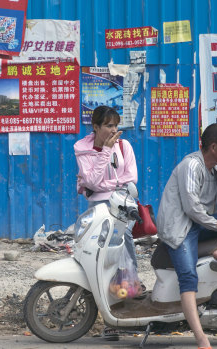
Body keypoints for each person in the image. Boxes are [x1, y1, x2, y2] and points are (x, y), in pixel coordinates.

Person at [156, 123, 217, 349]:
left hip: (201, 224)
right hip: (180, 229)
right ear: (213, 146)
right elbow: (191, 207)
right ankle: (201, 338)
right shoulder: (191, 166)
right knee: (188, 277)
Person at [74, 105, 138, 341]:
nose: (114, 130)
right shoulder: (82, 147)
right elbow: (91, 180)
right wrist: (104, 152)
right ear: (96, 127)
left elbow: (131, 179)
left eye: (115, 125)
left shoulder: (125, 146)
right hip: (99, 209)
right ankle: (109, 317)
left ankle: (128, 307)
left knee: (123, 253)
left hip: (123, 205)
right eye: (108, 125)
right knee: (99, 259)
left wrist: (101, 185)